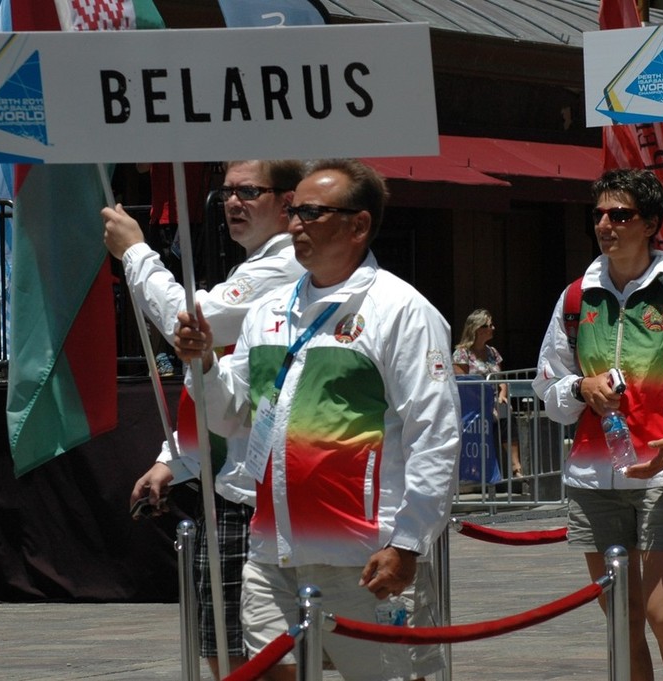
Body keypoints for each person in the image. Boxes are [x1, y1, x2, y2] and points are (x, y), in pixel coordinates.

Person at [174, 158, 461, 681]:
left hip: (365, 558)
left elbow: (434, 435)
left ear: (358, 225)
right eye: (292, 211)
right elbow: (231, 414)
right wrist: (205, 364)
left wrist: (407, 543)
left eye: (311, 212)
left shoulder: (402, 310)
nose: (294, 225)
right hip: (272, 556)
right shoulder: (267, 311)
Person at [532, 168, 663, 681]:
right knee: (622, 621)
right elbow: (548, 386)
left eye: (621, 214)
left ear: (650, 224)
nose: (606, 224)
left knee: (662, 614)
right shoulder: (576, 297)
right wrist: (579, 389)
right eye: (600, 214)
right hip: (592, 479)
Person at [103, 159, 305, 680]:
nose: (232, 202)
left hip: (257, 497)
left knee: (256, 658)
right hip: (232, 482)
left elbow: (188, 323)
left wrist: (135, 252)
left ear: (287, 203)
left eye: (249, 191)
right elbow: (224, 381)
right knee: (227, 653)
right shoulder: (257, 267)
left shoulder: (281, 267)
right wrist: (177, 456)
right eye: (227, 191)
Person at [453, 308, 523, 478]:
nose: (493, 328)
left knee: (506, 413)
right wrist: (485, 403)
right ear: (477, 329)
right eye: (488, 325)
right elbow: (463, 384)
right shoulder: (462, 354)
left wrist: (502, 396)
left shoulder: (492, 352)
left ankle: (517, 468)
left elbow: (501, 379)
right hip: (473, 404)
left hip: (492, 402)